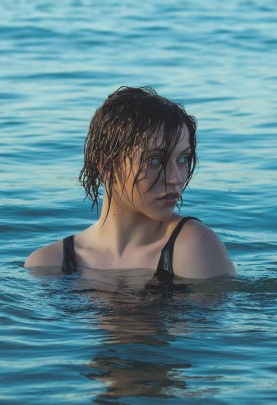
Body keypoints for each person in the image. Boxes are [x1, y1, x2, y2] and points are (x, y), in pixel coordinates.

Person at [25, 87, 235, 283]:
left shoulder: (193, 245)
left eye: (183, 159)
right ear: (106, 165)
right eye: (155, 161)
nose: (176, 178)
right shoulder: (47, 263)